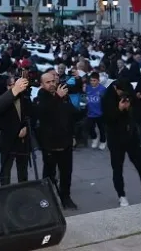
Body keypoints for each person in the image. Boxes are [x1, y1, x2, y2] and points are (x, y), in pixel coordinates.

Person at [102, 78, 141, 208]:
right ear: (116, 89)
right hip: (115, 138)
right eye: (122, 94)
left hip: (131, 135)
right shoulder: (107, 97)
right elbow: (107, 119)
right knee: (117, 168)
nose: (124, 97)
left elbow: (137, 110)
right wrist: (119, 109)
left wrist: (129, 108)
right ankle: (121, 195)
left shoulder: (129, 91)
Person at [34, 71, 79, 209]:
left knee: (66, 173)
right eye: (48, 82)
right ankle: (47, 199)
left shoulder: (63, 96)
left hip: (65, 142)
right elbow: (43, 113)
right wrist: (58, 98)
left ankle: (66, 197)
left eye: (53, 81)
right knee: (49, 174)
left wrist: (73, 135)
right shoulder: (41, 97)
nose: (52, 84)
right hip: (50, 144)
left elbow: (72, 116)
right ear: (41, 84)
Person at [0, 75, 33, 188]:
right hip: (8, 140)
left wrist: (26, 127)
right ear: (8, 86)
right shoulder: (2, 100)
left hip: (23, 140)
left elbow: (31, 114)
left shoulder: (25, 98)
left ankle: (23, 191)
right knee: (6, 169)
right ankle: (5, 192)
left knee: (22, 169)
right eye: (14, 84)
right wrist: (15, 131)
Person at [84, 72, 107, 150]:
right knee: (90, 127)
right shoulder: (88, 87)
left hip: (100, 113)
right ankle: (94, 138)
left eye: (94, 80)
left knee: (102, 129)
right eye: (91, 80)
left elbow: (106, 101)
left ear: (98, 80)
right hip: (90, 113)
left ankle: (103, 141)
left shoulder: (103, 89)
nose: (92, 82)